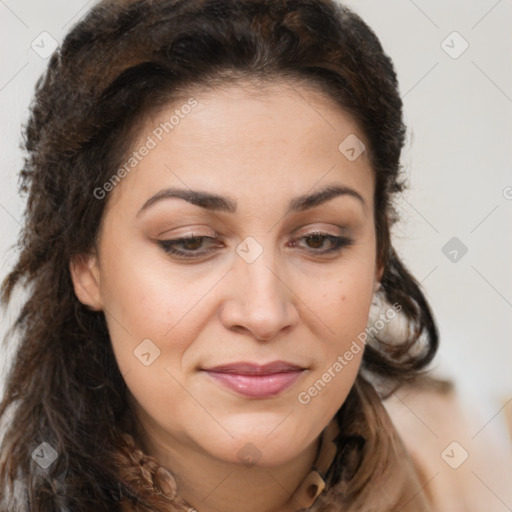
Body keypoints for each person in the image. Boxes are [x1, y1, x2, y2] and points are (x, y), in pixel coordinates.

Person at [1, 0, 508, 511]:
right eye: (191, 242)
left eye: (319, 239)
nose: (264, 313)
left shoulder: (482, 468)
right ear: (86, 264)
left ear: (380, 253)